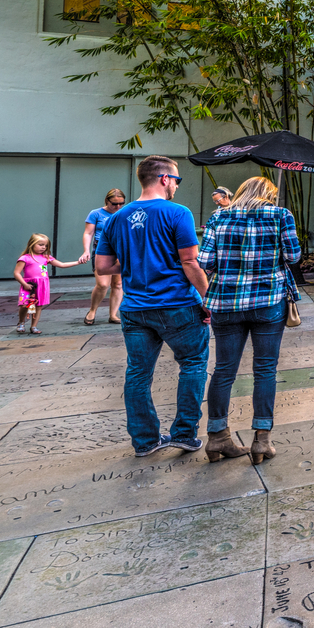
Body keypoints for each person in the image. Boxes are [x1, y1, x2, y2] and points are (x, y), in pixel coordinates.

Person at [94, 154, 210, 456]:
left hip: (134, 308)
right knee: (194, 364)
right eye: (177, 180)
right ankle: (184, 434)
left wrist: (138, 261)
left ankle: (145, 441)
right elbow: (189, 262)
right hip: (178, 304)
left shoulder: (116, 218)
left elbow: (103, 267)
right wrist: (209, 299)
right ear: (164, 179)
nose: (176, 186)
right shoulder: (178, 212)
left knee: (138, 373)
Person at [199, 176, 300, 464]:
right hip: (269, 301)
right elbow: (293, 256)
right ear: (269, 194)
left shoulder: (219, 216)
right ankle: (262, 440)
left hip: (226, 302)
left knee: (223, 370)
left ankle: (217, 437)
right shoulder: (281, 215)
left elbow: (204, 260)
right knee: (265, 369)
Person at [14, 234, 80, 334]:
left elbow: (61, 264)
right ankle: (21, 322)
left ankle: (34, 326)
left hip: (41, 285)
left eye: (45, 245)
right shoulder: (25, 258)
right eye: (40, 244)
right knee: (24, 305)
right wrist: (24, 284)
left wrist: (78, 262)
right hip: (29, 285)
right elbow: (16, 273)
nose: (43, 247)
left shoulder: (46, 257)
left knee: (38, 305)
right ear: (32, 244)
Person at [81, 187, 127, 325]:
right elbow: (88, 233)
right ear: (107, 201)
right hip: (102, 250)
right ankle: (92, 310)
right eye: (114, 204)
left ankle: (113, 314)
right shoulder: (96, 213)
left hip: (120, 250)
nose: (117, 207)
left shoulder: (124, 213)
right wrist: (86, 251)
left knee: (118, 284)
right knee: (102, 284)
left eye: (121, 203)